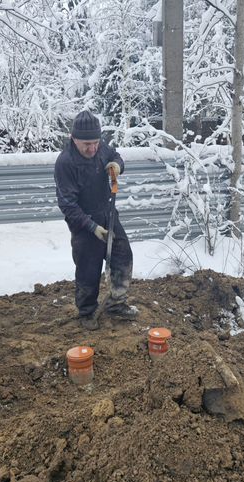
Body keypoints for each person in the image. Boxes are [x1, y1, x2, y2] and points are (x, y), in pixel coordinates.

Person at [54, 110, 137, 330]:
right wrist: (92, 227)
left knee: (123, 257)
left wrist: (118, 165)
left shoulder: (101, 149)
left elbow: (115, 156)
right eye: (86, 144)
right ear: (74, 139)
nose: (92, 149)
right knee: (88, 270)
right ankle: (87, 311)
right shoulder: (65, 163)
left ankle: (116, 303)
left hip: (108, 214)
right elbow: (67, 205)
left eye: (95, 143)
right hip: (84, 223)